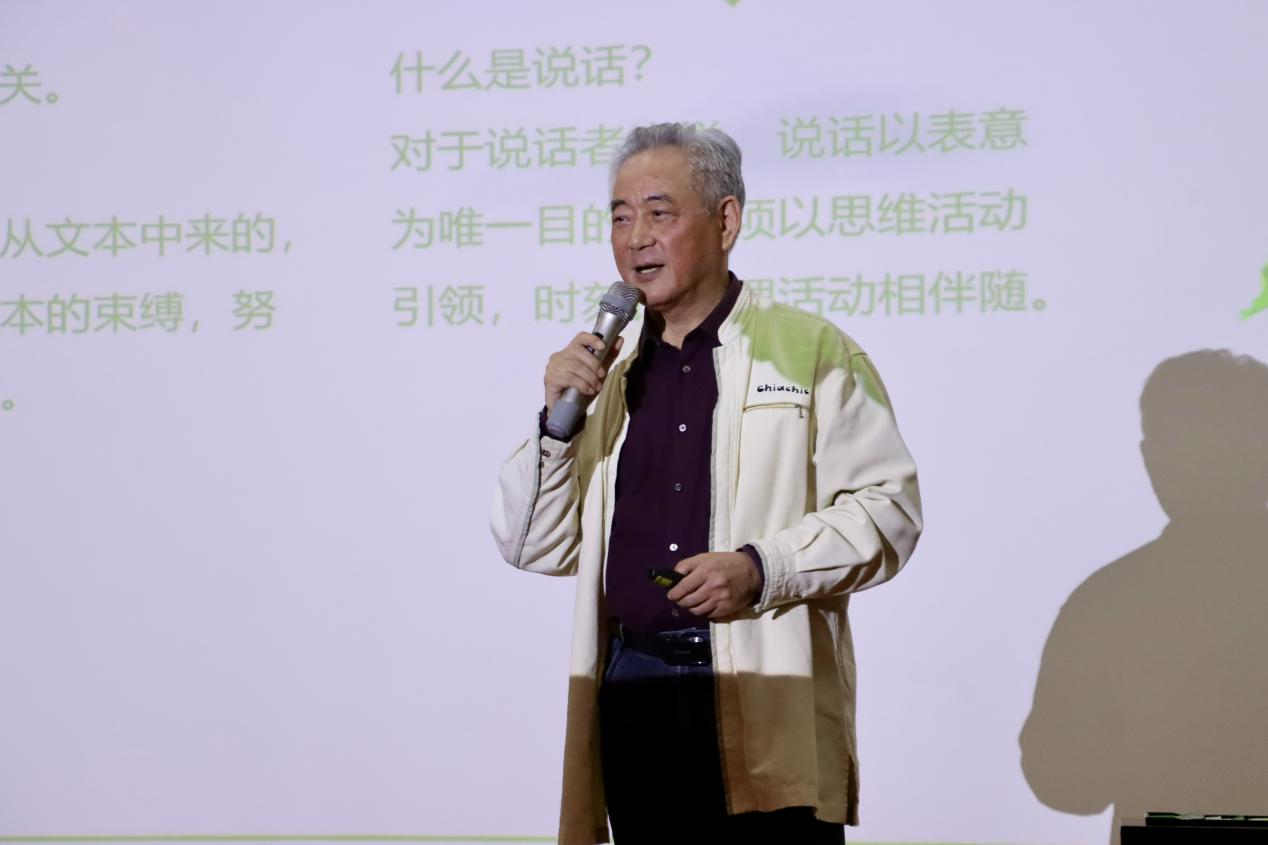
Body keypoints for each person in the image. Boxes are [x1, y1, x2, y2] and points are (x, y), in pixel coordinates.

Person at [491, 123, 922, 844]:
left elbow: (889, 512)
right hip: (635, 690)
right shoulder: (608, 377)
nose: (636, 238)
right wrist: (556, 424)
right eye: (620, 217)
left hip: (761, 689)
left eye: (658, 212)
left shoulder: (810, 350)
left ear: (726, 221)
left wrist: (761, 568)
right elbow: (530, 542)